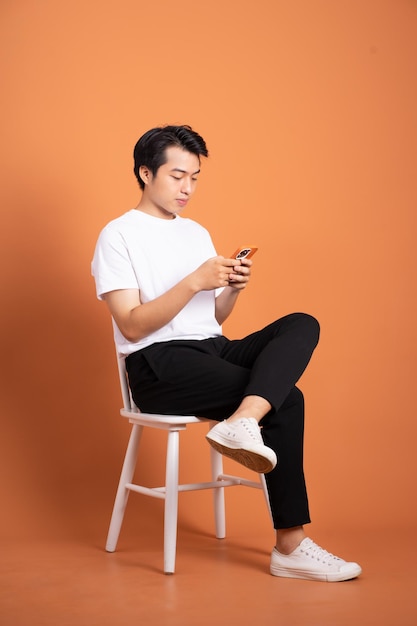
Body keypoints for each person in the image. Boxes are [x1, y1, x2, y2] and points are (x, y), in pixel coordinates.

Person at [92, 124, 362, 582]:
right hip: (157, 364)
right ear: (145, 172)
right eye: (178, 176)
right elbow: (132, 323)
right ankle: (290, 546)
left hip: (209, 349)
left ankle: (242, 420)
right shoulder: (117, 236)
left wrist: (230, 289)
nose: (187, 188)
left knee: (302, 323)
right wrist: (194, 281)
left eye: (195, 177)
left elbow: (210, 321)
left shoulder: (196, 232)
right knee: (287, 398)